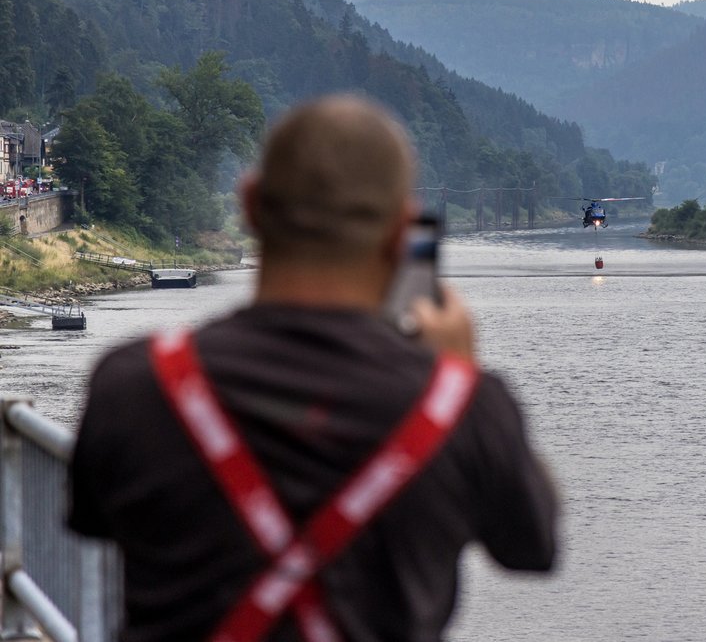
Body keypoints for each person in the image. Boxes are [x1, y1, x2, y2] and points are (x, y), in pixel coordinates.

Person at [68, 94, 558, 641]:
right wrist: (459, 373)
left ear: (251, 204)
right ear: (403, 234)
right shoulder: (468, 406)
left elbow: (94, 518)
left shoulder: (136, 384)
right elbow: (533, 547)